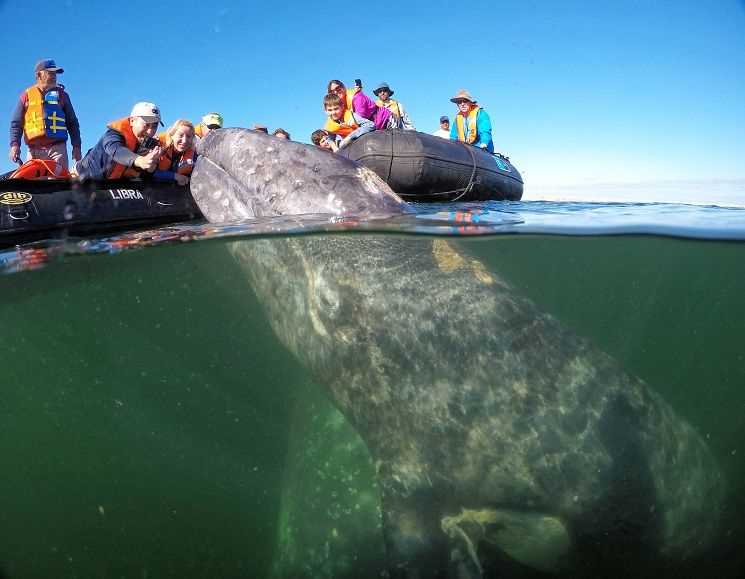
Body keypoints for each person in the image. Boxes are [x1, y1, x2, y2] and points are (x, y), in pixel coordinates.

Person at [9, 59, 82, 173]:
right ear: (38, 75)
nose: (54, 76)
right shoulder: (26, 96)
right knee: (32, 183)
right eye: (50, 73)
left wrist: (76, 146)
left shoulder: (62, 96)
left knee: (60, 182)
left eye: (55, 73)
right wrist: (15, 145)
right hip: (33, 151)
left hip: (57, 150)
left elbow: (72, 123)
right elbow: (16, 124)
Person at [74, 102, 163, 181]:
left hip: (111, 185)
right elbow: (116, 150)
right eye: (146, 125)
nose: (150, 132)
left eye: (154, 126)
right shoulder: (112, 135)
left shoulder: (149, 146)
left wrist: (150, 169)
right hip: (81, 178)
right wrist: (140, 160)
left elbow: (143, 177)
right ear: (132, 121)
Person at [327, 79, 392, 131]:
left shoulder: (357, 97)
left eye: (338, 88)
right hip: (375, 129)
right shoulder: (338, 106)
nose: (335, 92)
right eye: (332, 91)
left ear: (343, 87)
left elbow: (361, 119)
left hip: (387, 120)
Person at [155, 119, 196, 186]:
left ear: (192, 139)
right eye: (180, 135)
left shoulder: (194, 156)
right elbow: (149, 172)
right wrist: (175, 176)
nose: (184, 141)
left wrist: (186, 179)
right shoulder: (158, 148)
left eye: (188, 136)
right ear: (172, 135)